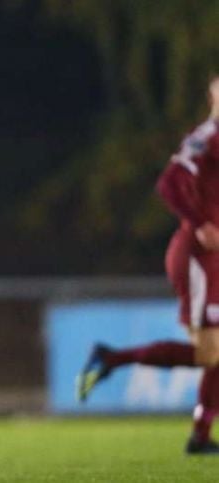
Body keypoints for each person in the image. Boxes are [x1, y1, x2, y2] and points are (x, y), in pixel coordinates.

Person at [77, 76, 219, 455]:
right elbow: (170, 182)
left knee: (214, 352)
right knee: (212, 351)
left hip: (211, 258)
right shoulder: (208, 136)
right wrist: (201, 222)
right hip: (195, 256)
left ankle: (200, 435)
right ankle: (115, 359)